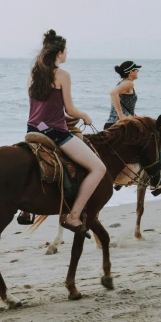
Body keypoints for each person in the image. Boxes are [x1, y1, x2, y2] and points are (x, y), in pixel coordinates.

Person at [26, 30, 106, 232]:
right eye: (66, 51)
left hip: (33, 128)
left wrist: (65, 117)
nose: (66, 54)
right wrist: (84, 116)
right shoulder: (63, 75)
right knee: (99, 168)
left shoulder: (33, 75)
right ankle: (74, 216)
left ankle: (26, 210)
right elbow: (70, 109)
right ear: (59, 53)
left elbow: (41, 109)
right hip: (54, 133)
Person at [104, 61, 141, 129]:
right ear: (131, 72)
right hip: (119, 126)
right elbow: (113, 93)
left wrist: (134, 116)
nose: (138, 71)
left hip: (113, 124)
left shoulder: (123, 83)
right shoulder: (129, 83)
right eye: (136, 70)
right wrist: (121, 115)